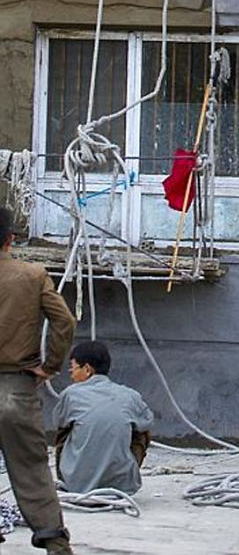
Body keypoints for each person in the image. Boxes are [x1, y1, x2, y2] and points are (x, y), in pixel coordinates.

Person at [0, 205, 76, 553]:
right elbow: (65, 322)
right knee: (31, 469)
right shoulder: (32, 275)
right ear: (9, 240)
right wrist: (50, 366)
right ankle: (55, 544)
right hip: (16, 388)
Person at [51, 341, 153, 496]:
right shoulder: (130, 395)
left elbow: (59, 422)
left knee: (65, 430)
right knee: (141, 431)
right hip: (122, 486)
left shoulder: (70, 394)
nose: (70, 373)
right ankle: (120, 479)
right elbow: (147, 421)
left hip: (76, 485)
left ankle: (71, 479)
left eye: (72, 367)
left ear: (87, 369)